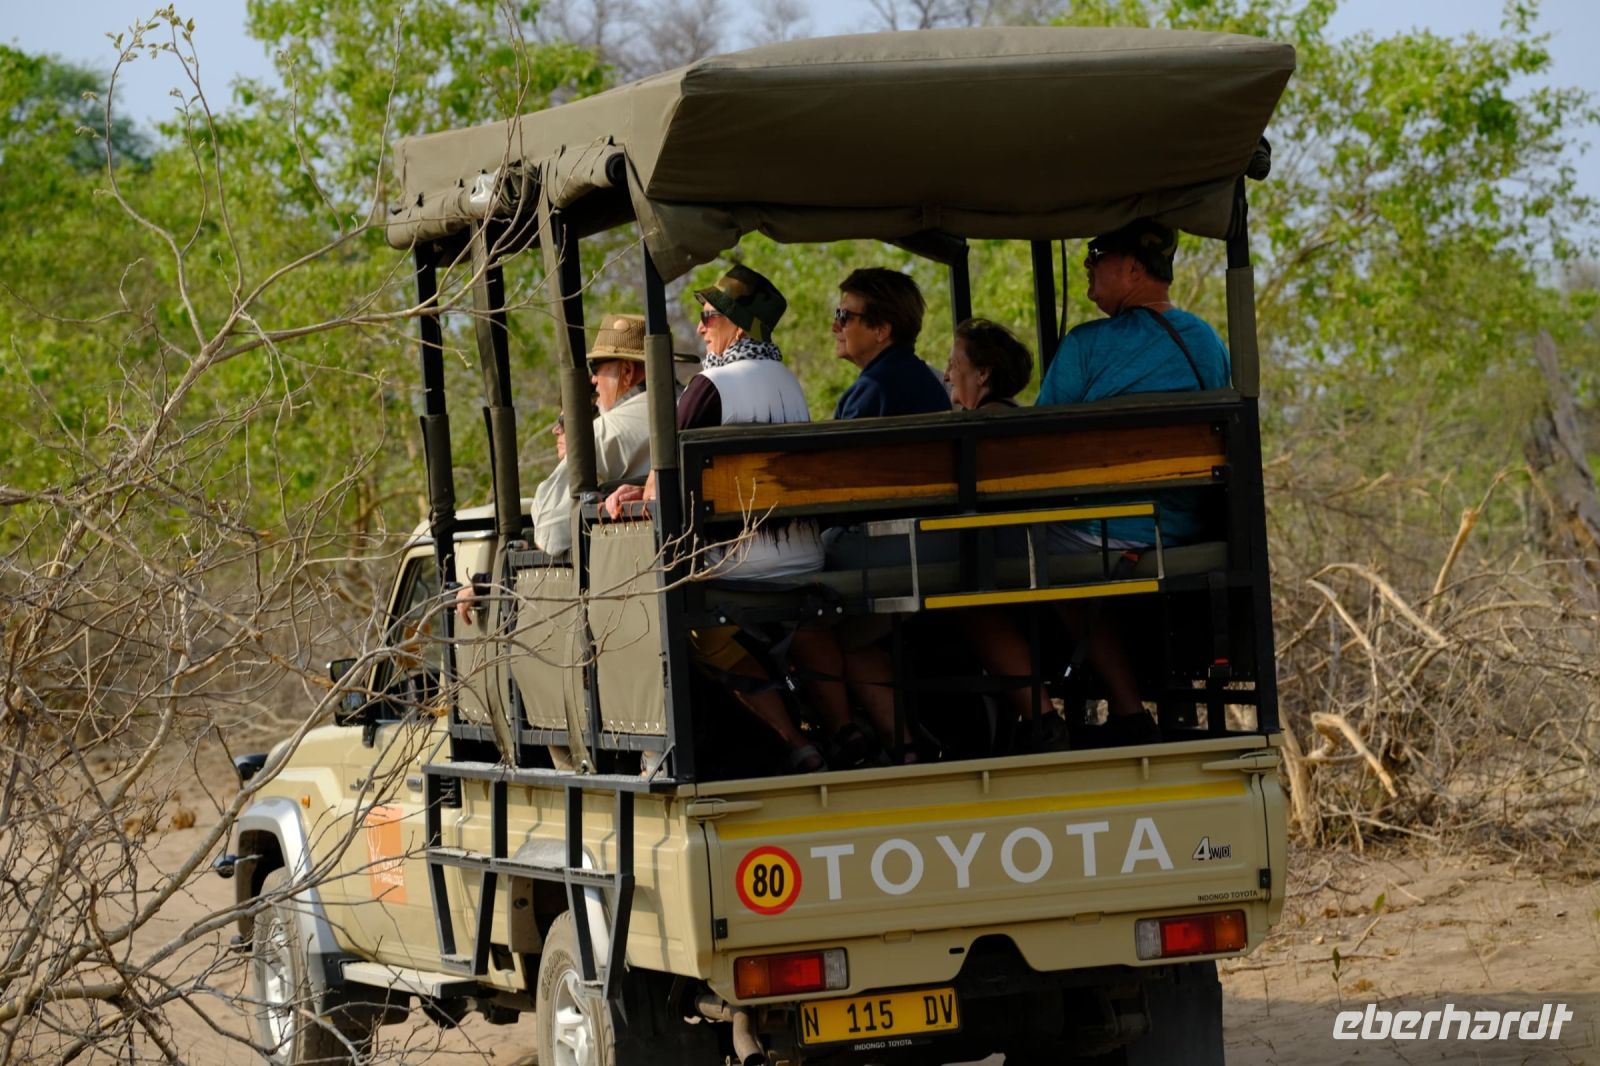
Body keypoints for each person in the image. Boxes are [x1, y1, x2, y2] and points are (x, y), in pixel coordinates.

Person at [608, 265, 867, 772]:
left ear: (740, 327)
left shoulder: (710, 384)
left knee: (696, 631)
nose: (701, 327)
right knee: (804, 620)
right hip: (804, 556)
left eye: (709, 316)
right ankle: (845, 729)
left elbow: (665, 478)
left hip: (737, 563)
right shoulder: (789, 382)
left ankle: (796, 742)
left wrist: (639, 492)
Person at [1036, 218, 1231, 744]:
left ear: (1132, 268)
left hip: (1102, 532)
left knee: (992, 549)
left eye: (1096, 255)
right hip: (1185, 526)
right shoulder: (1207, 342)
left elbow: (1032, 448)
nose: (1088, 267)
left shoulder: (1086, 346)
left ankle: (1060, 710)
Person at [456, 313, 675, 626]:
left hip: (625, 604)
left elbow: (550, 532)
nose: (593, 381)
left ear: (627, 371)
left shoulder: (610, 430)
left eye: (596, 369)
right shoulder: (691, 405)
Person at [832, 267, 951, 418]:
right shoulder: (926, 382)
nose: (835, 326)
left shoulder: (873, 390)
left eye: (844, 316)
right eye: (837, 313)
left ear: (881, 330)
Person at [944, 317, 1034, 410]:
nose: (946, 376)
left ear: (982, 373)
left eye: (953, 365)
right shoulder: (1018, 412)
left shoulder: (980, 422)